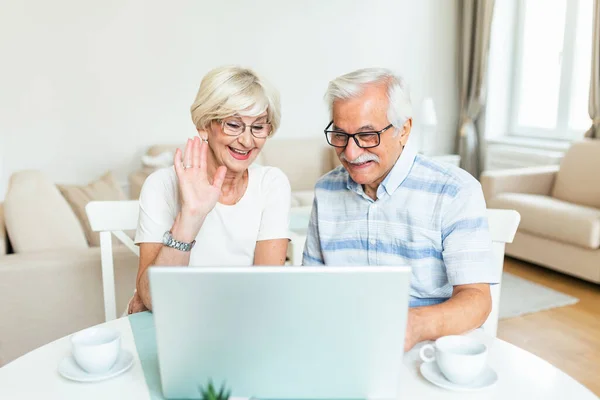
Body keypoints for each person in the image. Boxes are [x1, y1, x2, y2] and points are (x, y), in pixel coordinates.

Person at [302, 68, 495, 351]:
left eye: (368, 135)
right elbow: (310, 287)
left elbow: (477, 299)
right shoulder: (326, 190)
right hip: (342, 344)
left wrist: (414, 325)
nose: (351, 153)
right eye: (340, 135)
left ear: (403, 129)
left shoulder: (454, 191)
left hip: (428, 349)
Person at [130, 65, 291, 313]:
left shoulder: (272, 184)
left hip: (239, 324)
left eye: (258, 127)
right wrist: (191, 216)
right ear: (205, 125)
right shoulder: (161, 186)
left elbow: (265, 290)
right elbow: (155, 301)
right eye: (234, 125)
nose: (247, 141)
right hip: (174, 322)